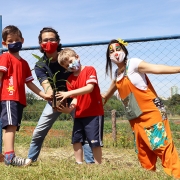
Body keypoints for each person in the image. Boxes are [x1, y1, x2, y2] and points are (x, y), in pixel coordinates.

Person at [102, 39, 180, 178]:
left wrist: (178, 69)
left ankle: (176, 175)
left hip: (151, 113)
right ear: (109, 57)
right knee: (143, 149)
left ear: (124, 51)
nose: (115, 53)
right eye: (111, 51)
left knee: (161, 146)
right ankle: (148, 175)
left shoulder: (133, 64)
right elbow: (110, 91)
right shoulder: (117, 74)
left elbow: (156, 68)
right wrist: (102, 98)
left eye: (118, 49)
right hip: (135, 117)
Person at [27, 27, 94, 164]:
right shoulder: (40, 65)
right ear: (40, 43)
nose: (49, 42)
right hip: (55, 101)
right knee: (38, 132)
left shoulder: (66, 58)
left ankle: (90, 162)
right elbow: (46, 86)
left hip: (76, 99)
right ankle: (30, 160)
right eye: (45, 40)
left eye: (52, 39)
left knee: (85, 131)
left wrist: (72, 101)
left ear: (58, 41)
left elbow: (80, 77)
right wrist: (54, 99)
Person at [0, 25, 52, 166]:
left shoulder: (24, 63)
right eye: (10, 40)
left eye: (17, 39)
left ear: (22, 40)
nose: (14, 42)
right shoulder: (5, 57)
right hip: (8, 97)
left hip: (19, 100)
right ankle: (10, 157)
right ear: (4, 43)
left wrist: (43, 94)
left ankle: (6, 156)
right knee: (10, 126)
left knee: (12, 127)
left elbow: (29, 83)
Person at [56, 48, 104, 164]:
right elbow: (75, 99)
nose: (70, 66)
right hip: (79, 114)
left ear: (77, 57)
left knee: (94, 141)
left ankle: (98, 165)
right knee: (76, 140)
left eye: (71, 61)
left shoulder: (89, 70)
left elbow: (89, 88)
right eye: (66, 66)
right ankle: (79, 163)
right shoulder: (70, 79)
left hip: (94, 113)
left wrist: (68, 93)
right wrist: (69, 109)